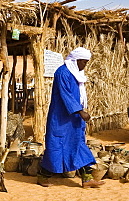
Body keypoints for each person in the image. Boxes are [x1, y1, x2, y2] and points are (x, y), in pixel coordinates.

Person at [38, 47, 102, 188]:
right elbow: (66, 95)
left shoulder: (77, 74)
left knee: (78, 145)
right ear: (76, 60)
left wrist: (80, 112)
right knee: (56, 147)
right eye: (83, 62)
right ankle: (43, 175)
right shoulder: (62, 73)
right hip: (61, 118)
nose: (84, 65)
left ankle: (87, 178)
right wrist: (80, 112)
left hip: (73, 119)